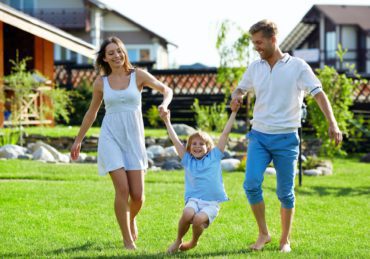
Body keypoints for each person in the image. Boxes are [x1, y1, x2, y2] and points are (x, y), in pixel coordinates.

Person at [231, 20, 343, 253]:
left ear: (273, 40)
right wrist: (237, 94)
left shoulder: (298, 67)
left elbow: (319, 94)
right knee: (251, 184)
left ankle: (285, 240)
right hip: (259, 136)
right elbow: (241, 87)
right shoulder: (255, 67)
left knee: (285, 192)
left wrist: (332, 122)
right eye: (254, 43)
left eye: (259, 42)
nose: (256, 47)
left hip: (286, 138)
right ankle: (264, 233)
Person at [70, 36, 173, 250]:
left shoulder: (138, 75)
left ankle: (131, 218)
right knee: (122, 190)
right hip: (111, 137)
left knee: (138, 196)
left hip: (134, 139)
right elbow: (92, 112)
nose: (116, 55)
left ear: (124, 52)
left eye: (119, 51)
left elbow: (167, 90)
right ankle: (127, 241)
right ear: (105, 59)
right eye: (111, 53)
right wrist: (78, 140)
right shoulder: (101, 82)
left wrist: (165, 104)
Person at [161, 101, 240, 253]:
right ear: (189, 148)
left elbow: (225, 134)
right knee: (187, 213)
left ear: (208, 147)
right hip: (194, 199)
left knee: (197, 220)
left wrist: (234, 112)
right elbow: (176, 141)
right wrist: (166, 121)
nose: (197, 146)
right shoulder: (187, 160)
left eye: (201, 143)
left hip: (211, 203)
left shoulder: (215, 156)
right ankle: (178, 240)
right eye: (194, 144)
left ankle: (193, 242)